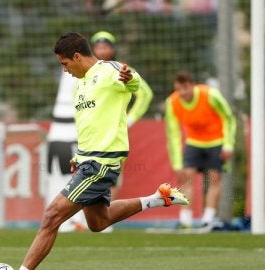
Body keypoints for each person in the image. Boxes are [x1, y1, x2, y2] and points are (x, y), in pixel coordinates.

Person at [19, 32, 188, 270]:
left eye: (65, 64)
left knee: (51, 216)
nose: (65, 70)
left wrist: (129, 79)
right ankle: (158, 198)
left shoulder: (110, 70)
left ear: (77, 56)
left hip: (102, 162)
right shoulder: (79, 85)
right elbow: (87, 124)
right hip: (87, 159)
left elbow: (136, 84)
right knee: (99, 222)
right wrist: (78, 155)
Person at [46, 30, 153, 233]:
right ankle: (97, 220)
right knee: (96, 214)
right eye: (99, 46)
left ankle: (97, 222)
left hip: (110, 143)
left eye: (106, 46)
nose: (102, 50)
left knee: (107, 179)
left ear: (112, 49)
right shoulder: (82, 80)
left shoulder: (117, 70)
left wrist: (130, 119)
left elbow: (142, 91)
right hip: (88, 148)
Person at [164, 70, 236, 230]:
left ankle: (208, 219)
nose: (182, 93)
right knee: (185, 177)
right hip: (194, 142)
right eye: (178, 89)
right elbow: (173, 133)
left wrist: (228, 144)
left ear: (193, 86)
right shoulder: (172, 102)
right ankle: (185, 220)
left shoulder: (210, 95)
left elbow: (229, 117)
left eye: (185, 88)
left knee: (214, 178)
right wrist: (177, 163)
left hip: (217, 141)